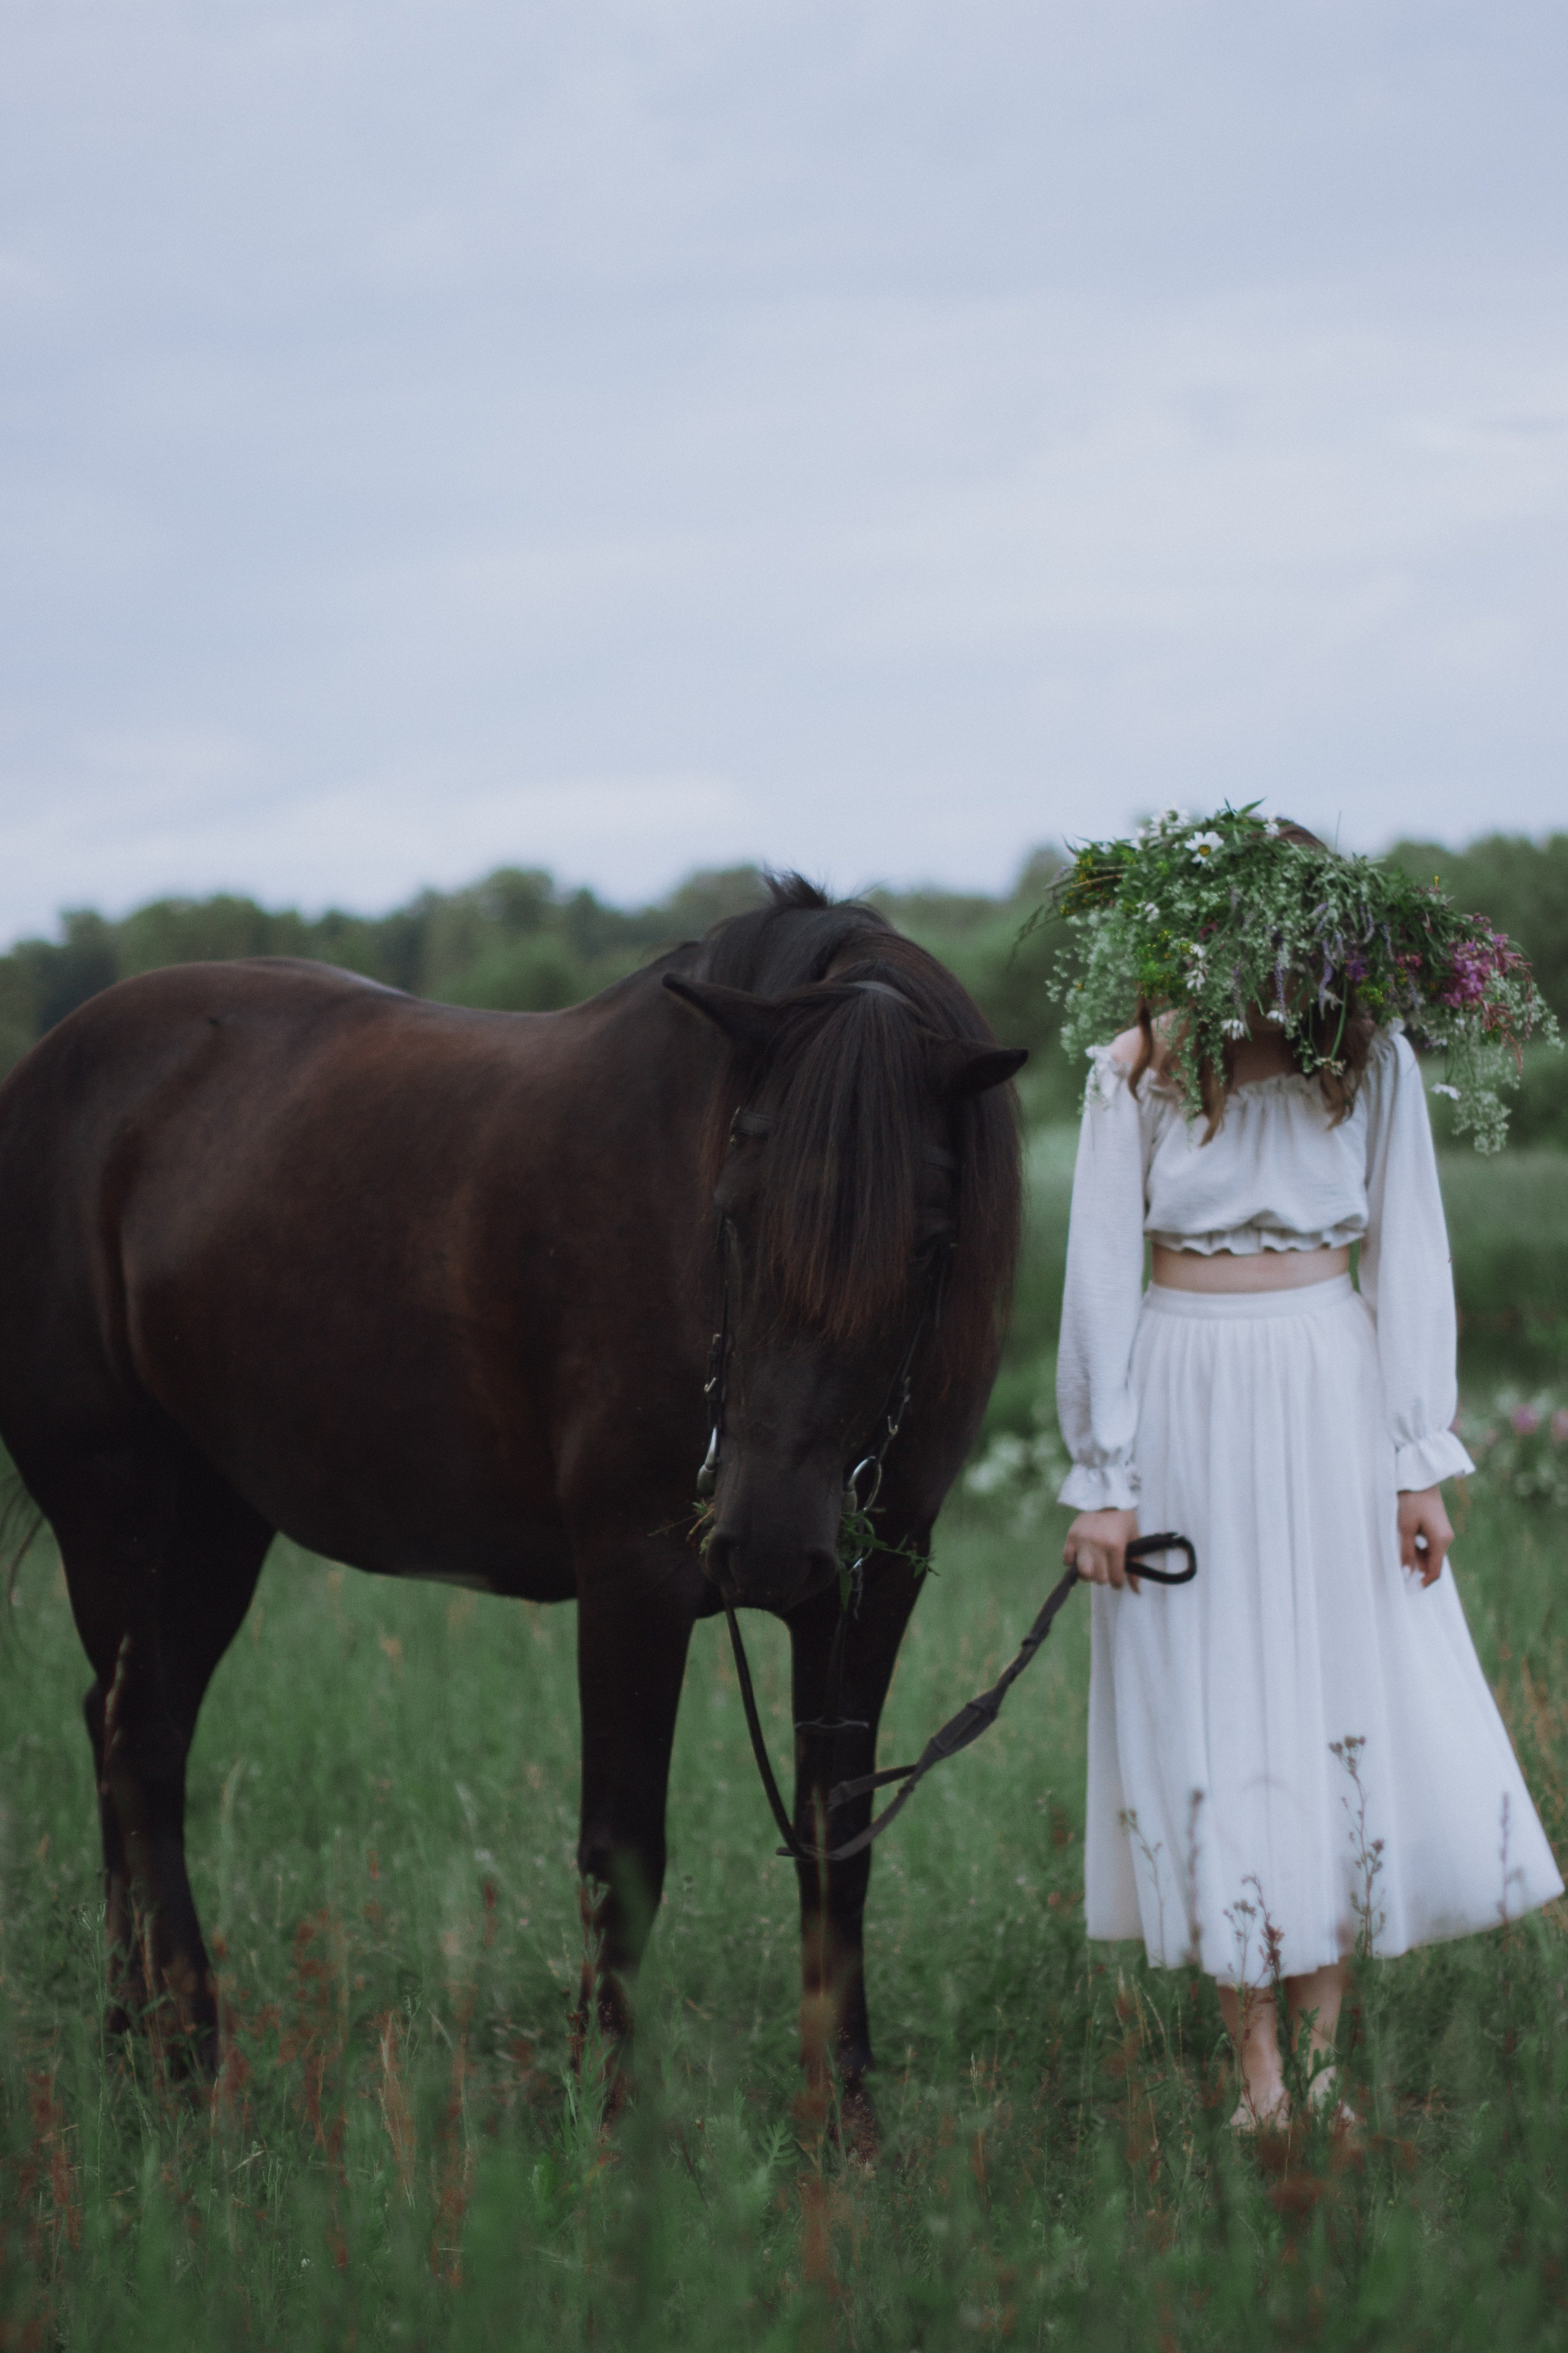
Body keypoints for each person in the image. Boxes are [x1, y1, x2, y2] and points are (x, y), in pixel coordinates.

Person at [1052, 817, 1562, 2129]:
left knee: (1333, 1703)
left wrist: (1414, 1461)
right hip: (1182, 1395)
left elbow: (1411, 1256)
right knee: (1214, 1716)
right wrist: (1099, 1478)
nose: (1264, 960)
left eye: (1290, 935)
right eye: (1238, 934)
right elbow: (1100, 1284)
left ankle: (1324, 2068)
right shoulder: (1137, 1073)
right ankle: (1256, 2079)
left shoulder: (1365, 1059)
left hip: (1329, 1386)